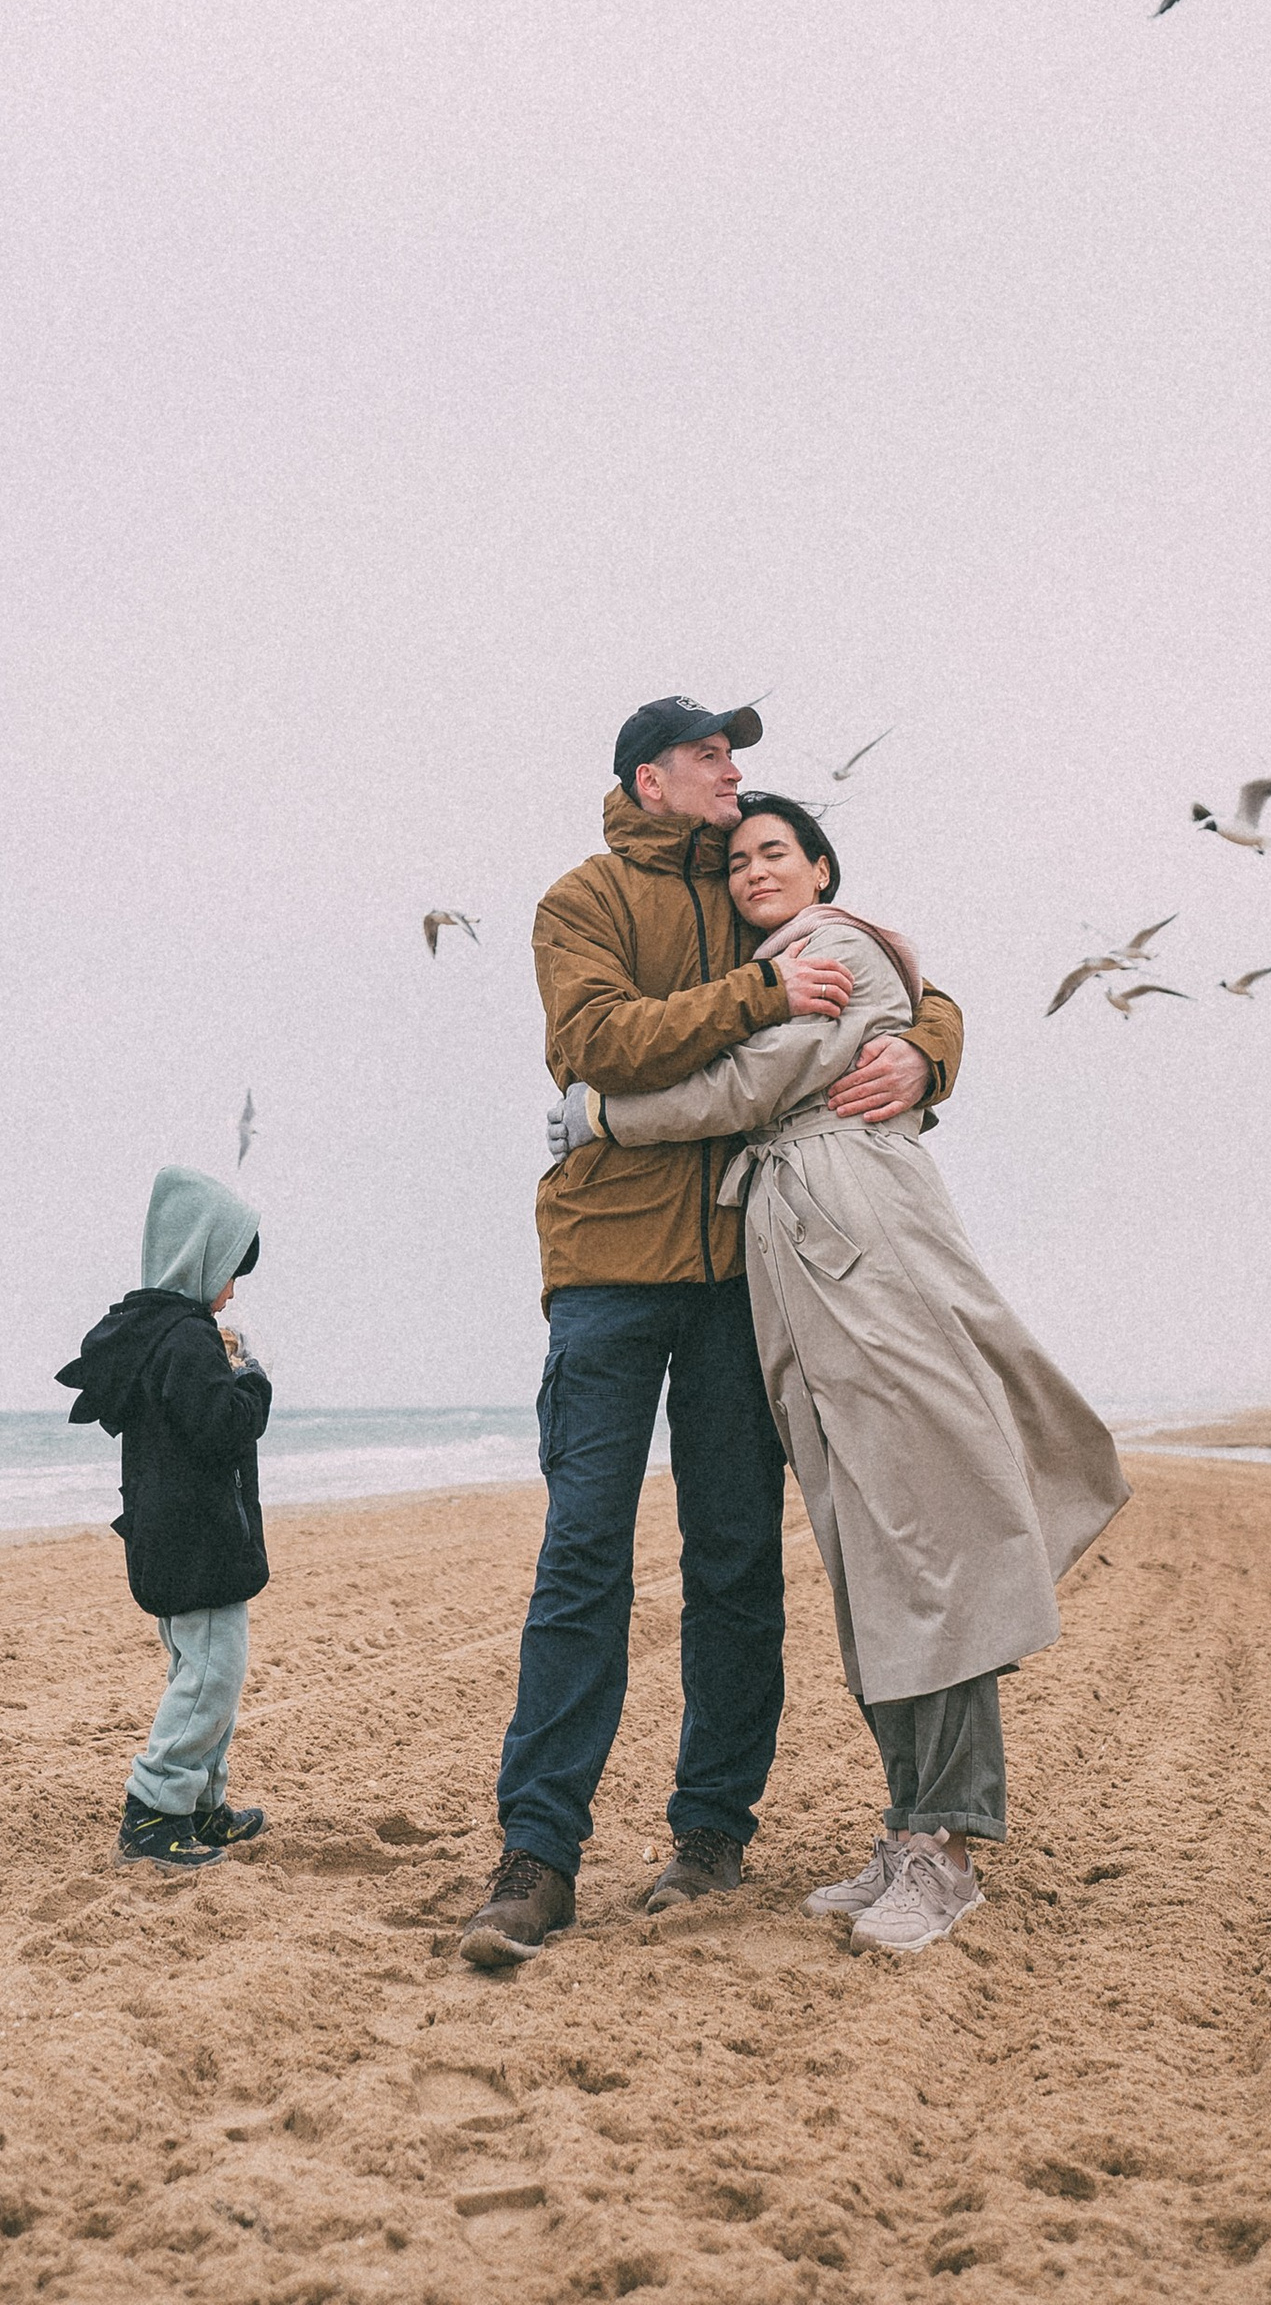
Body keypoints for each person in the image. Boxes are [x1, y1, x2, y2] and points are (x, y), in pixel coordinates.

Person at [562, 793, 1129, 1954]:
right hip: (798, 1262)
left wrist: (601, 1120)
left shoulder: (833, 950)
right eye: (739, 860)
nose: (753, 870)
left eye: (777, 852)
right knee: (870, 1551)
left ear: (821, 868)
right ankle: (910, 1824)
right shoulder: (770, 959)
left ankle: (949, 1844)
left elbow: (746, 1086)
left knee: (932, 1532)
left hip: (861, 1244)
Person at [459, 697, 965, 1968]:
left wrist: (931, 1056)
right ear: (650, 775)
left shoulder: (769, 892)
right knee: (583, 1556)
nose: (732, 771)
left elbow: (898, 976)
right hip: (607, 1267)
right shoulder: (580, 902)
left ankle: (709, 1835)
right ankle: (538, 1857)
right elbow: (591, 1049)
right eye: (708, 754)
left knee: (734, 1558)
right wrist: (753, 992)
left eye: (734, 756)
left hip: (750, 1267)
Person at [58, 1166, 274, 1866]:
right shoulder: (185, 1340)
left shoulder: (155, 1335)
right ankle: (153, 1814)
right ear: (199, 1257)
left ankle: (201, 1807)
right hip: (197, 1549)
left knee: (208, 1676)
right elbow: (222, 1429)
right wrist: (252, 1378)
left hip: (173, 1543)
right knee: (208, 1681)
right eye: (229, 1271)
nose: (234, 1290)